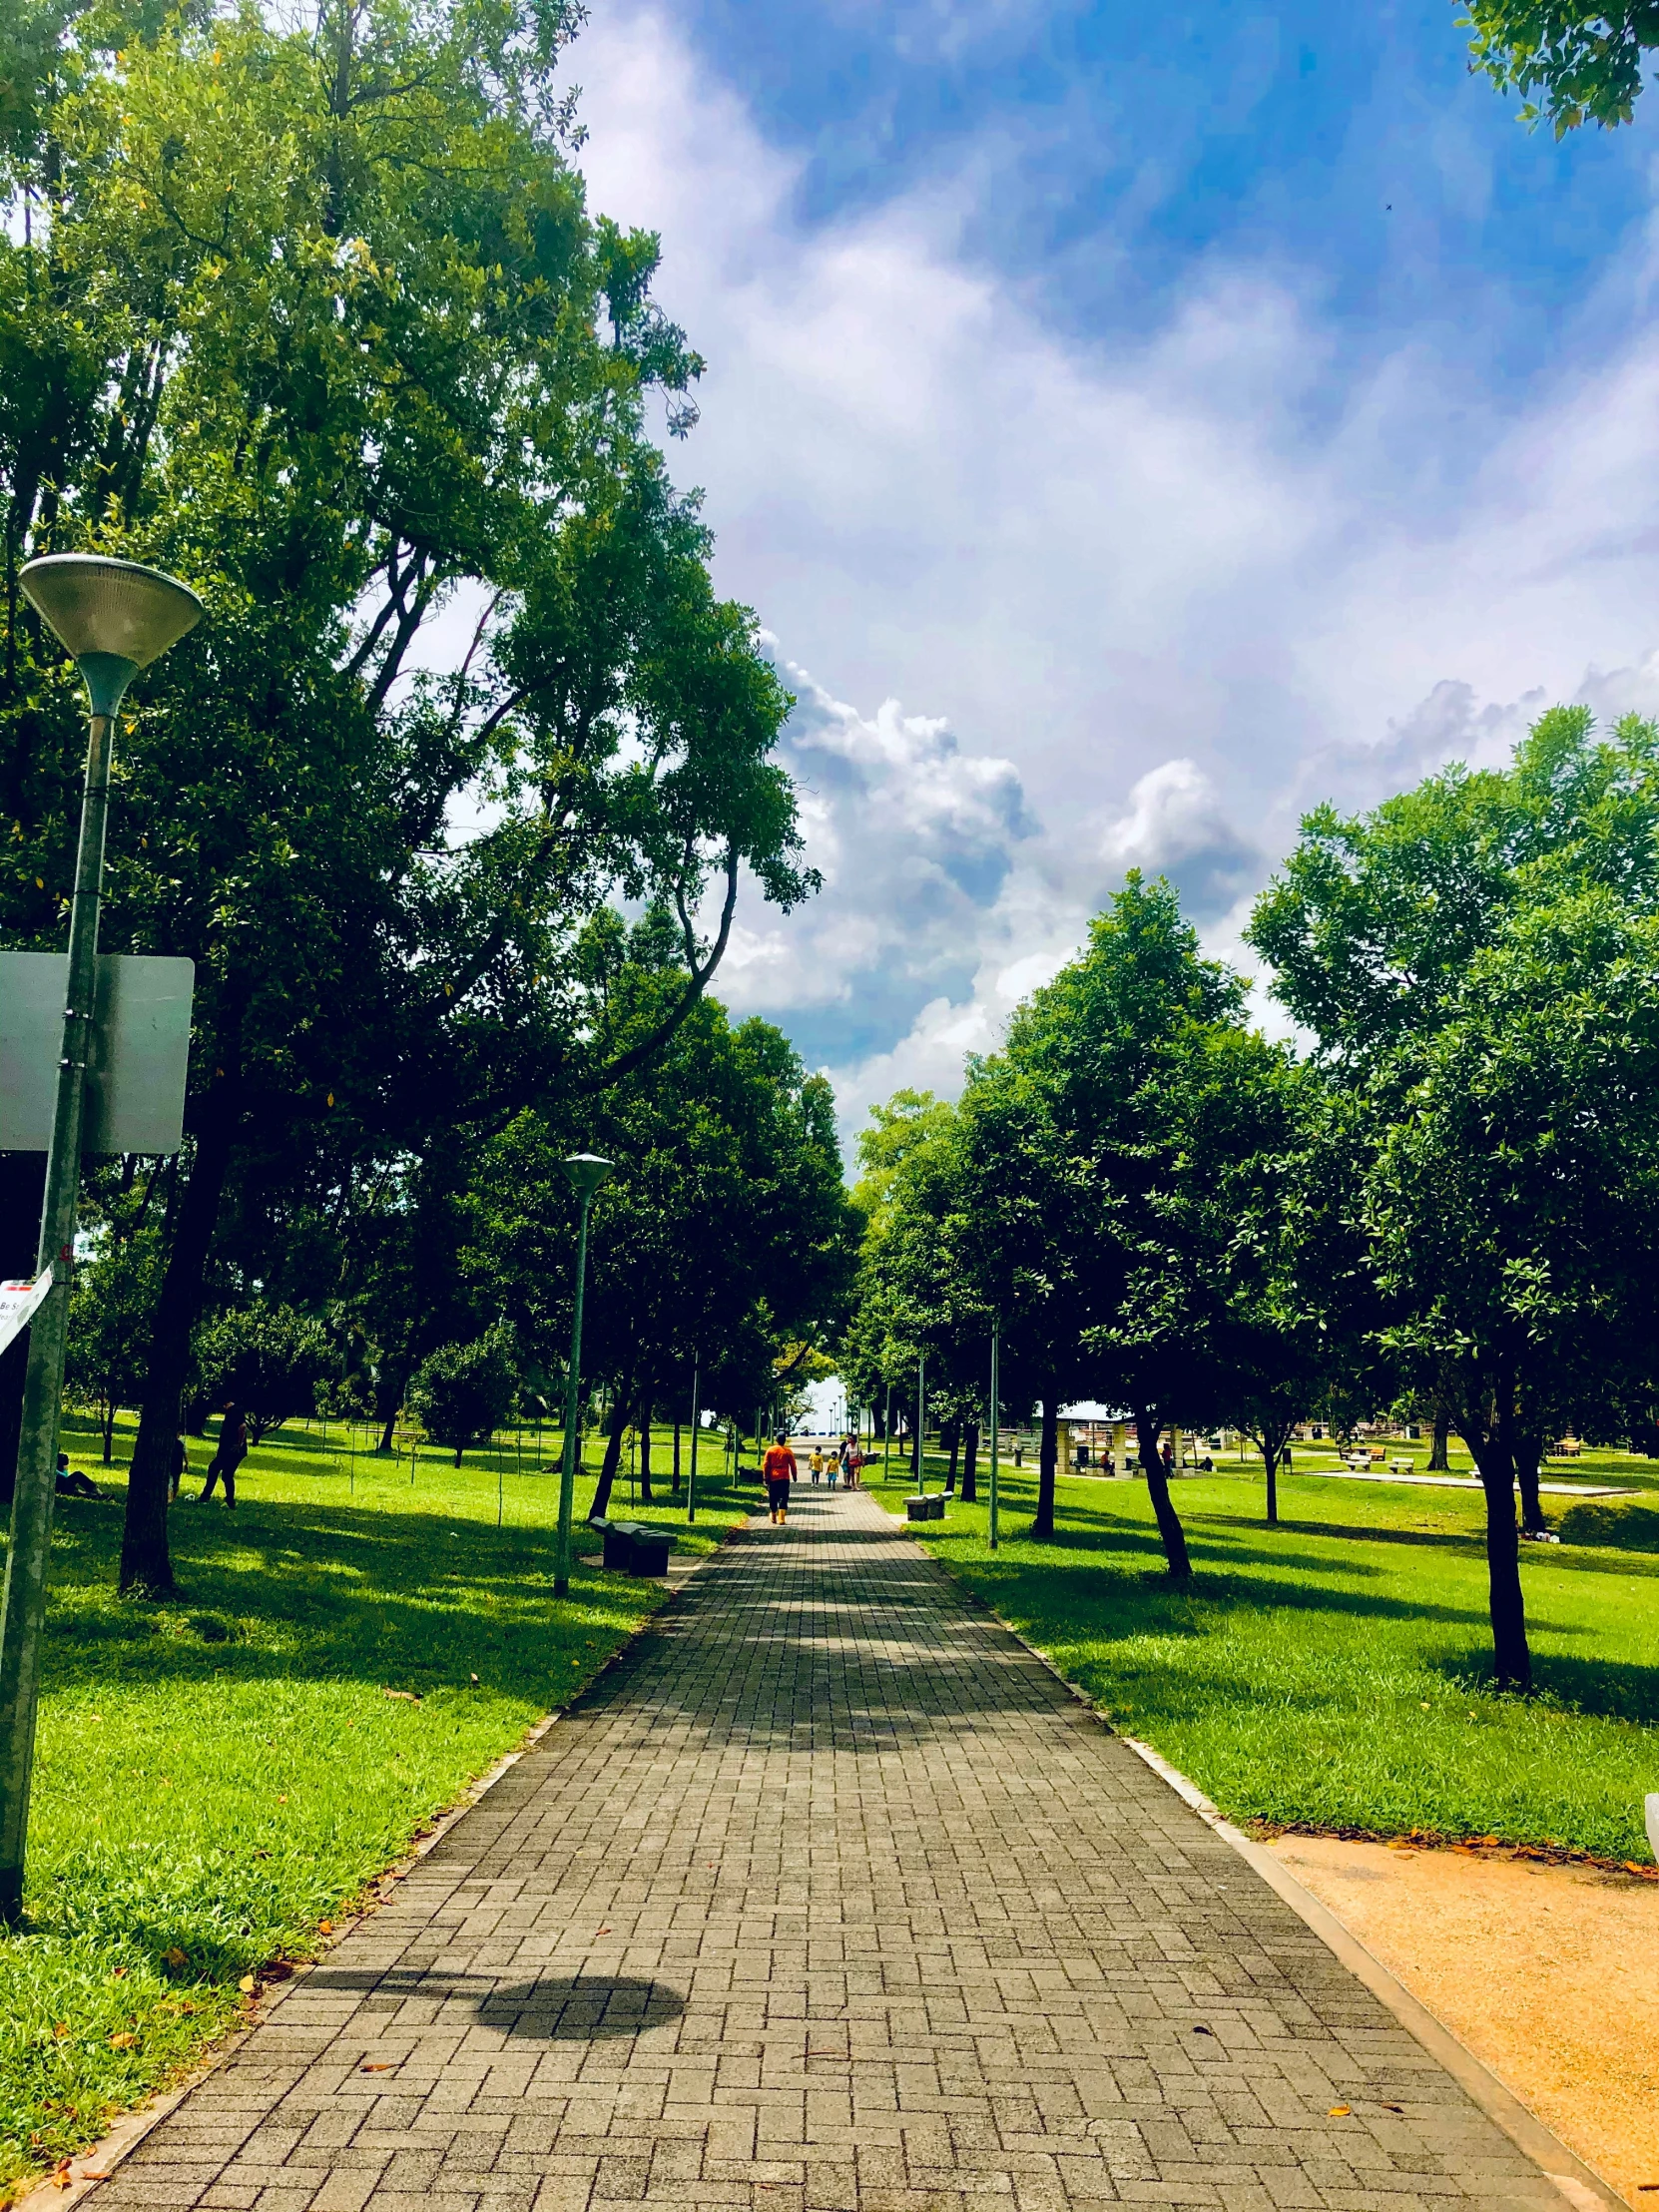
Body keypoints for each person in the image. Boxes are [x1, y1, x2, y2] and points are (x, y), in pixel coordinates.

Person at [200, 1401, 249, 1507]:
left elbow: (243, 1426)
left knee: (214, 1469)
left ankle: (205, 1496)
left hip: (231, 1451)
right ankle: (230, 1501)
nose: (223, 1407)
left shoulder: (234, 1411)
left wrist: (239, 1444)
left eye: (224, 1405)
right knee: (227, 1475)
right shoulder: (235, 1410)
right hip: (230, 1450)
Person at [762, 1431, 797, 1524]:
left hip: (773, 1477)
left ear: (776, 1440)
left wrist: (766, 1477)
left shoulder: (770, 1450)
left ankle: (773, 1515)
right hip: (785, 1477)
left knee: (773, 1497)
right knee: (783, 1497)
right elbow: (793, 1465)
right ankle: (781, 1518)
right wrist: (794, 1475)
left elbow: (765, 1465)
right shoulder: (788, 1451)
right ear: (785, 1440)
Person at [169, 1430, 190, 1501]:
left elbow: (185, 1454)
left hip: (175, 1466)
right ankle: (171, 1497)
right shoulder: (181, 1444)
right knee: (174, 1483)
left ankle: (172, 1497)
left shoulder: (179, 1444)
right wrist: (187, 1463)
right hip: (177, 1465)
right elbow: (185, 1454)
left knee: (173, 1483)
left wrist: (186, 1463)